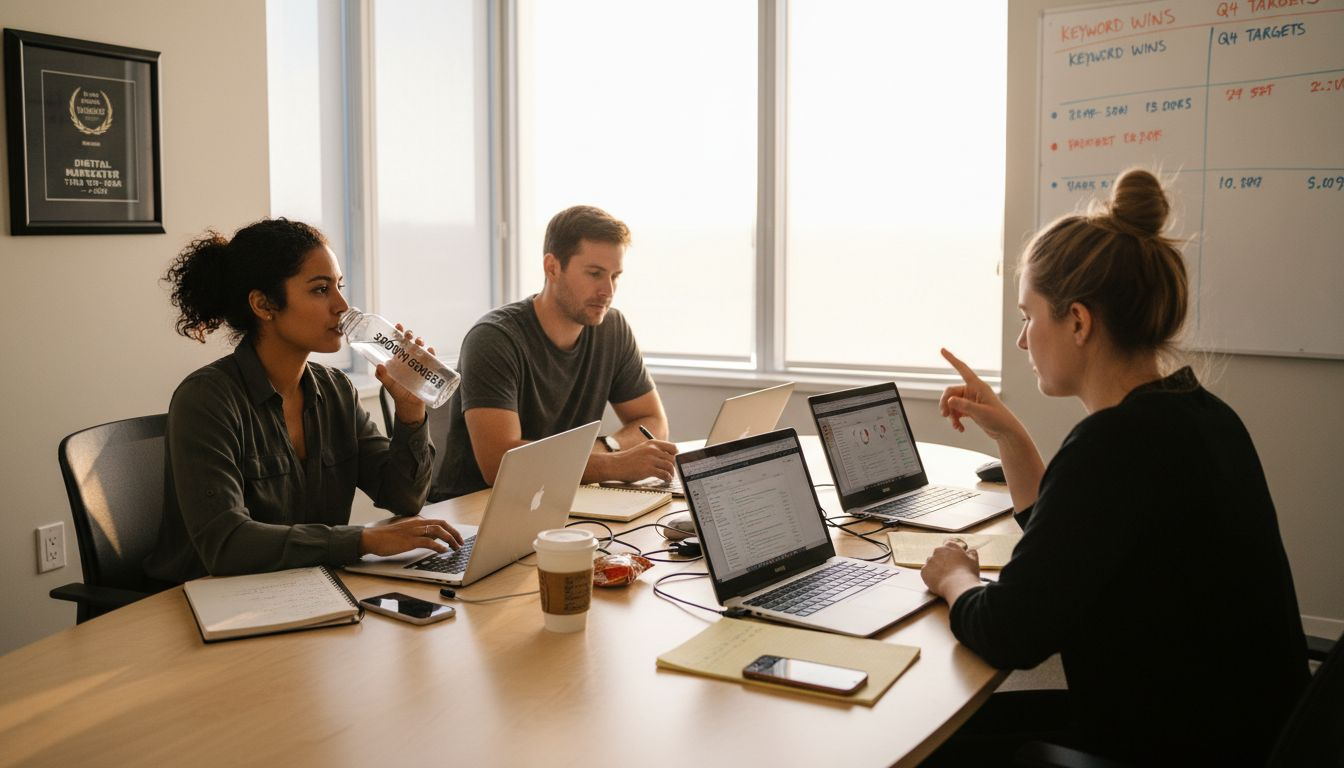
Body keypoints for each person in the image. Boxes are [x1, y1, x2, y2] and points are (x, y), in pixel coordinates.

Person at [920, 170, 1309, 765]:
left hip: (1171, 747)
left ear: (1078, 321)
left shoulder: (1113, 445)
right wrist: (1012, 436)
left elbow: (1009, 632)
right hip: (1248, 734)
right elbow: (1074, 544)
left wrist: (951, 575)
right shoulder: (1199, 415)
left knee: (936, 744)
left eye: (1029, 315)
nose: (1023, 341)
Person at [144, 218, 463, 584]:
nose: (342, 306)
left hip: (306, 588)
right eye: (320, 290)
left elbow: (404, 498)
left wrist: (410, 409)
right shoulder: (207, 399)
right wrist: (363, 540)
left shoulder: (336, 391)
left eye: (339, 286)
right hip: (205, 602)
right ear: (264, 305)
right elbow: (226, 544)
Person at [433, 205, 676, 500]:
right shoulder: (493, 339)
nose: (608, 290)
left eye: (615, 276)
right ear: (552, 267)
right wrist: (613, 465)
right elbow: (498, 464)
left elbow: (653, 421)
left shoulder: (612, 328)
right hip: (476, 510)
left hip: (560, 498)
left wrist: (606, 448)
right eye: (595, 274)